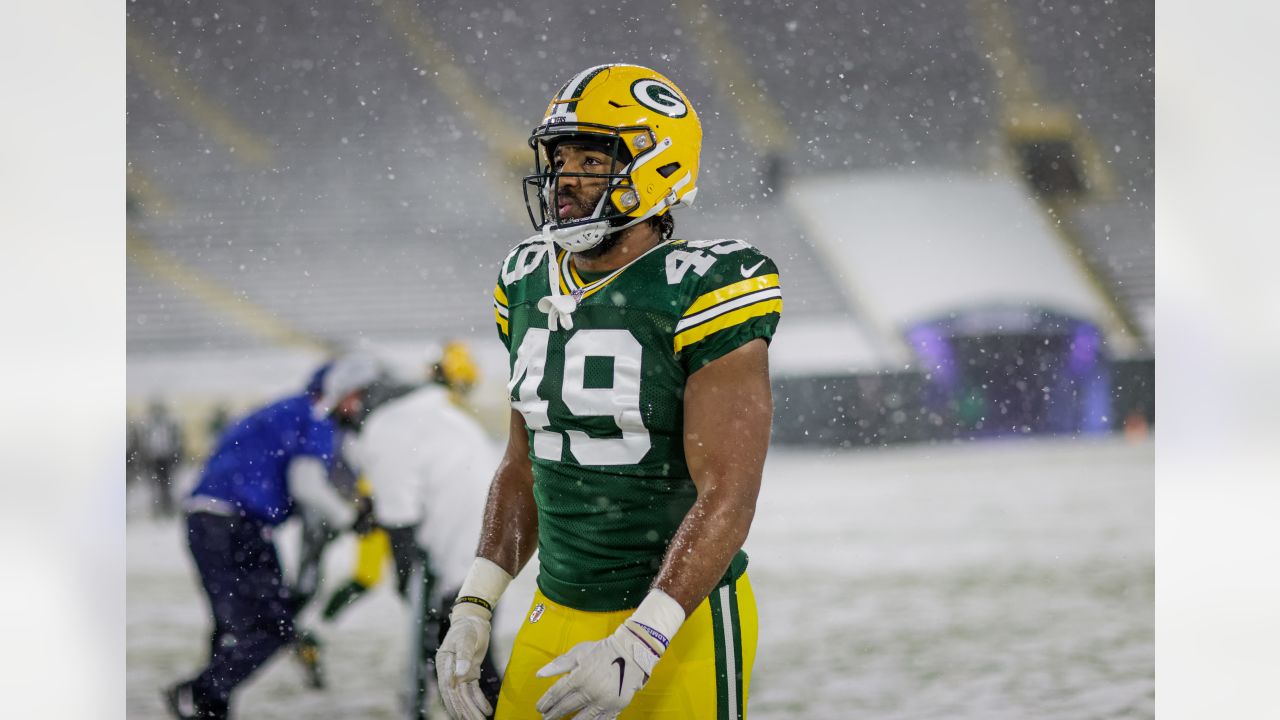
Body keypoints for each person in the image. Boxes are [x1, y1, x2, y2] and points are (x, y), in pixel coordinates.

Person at [435, 64, 782, 720]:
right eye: (560, 157)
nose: (565, 178)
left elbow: (729, 493)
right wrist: (475, 603)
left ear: (658, 166)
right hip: (554, 607)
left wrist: (645, 637)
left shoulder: (705, 288)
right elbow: (523, 464)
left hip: (679, 623)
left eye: (592, 159)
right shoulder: (525, 277)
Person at [164, 352, 381, 720]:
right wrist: (352, 517)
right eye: (356, 394)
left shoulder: (290, 410)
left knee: (234, 626)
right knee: (275, 625)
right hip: (233, 524)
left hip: (214, 520)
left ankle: (209, 707)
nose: (358, 405)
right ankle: (199, 693)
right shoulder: (316, 414)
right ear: (340, 390)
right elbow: (307, 484)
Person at [339, 340, 504, 718]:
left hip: (457, 556)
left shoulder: (387, 424)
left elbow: (401, 517)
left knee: (461, 661)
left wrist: (402, 574)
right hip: (485, 547)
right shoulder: (430, 413)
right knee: (469, 653)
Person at [141, 400, 185, 518]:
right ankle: (159, 506)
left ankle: (167, 506)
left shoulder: (167, 425)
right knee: (156, 485)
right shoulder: (149, 426)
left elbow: (175, 442)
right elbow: (145, 444)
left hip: (166, 458)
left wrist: (174, 456)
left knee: (167, 484)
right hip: (154, 459)